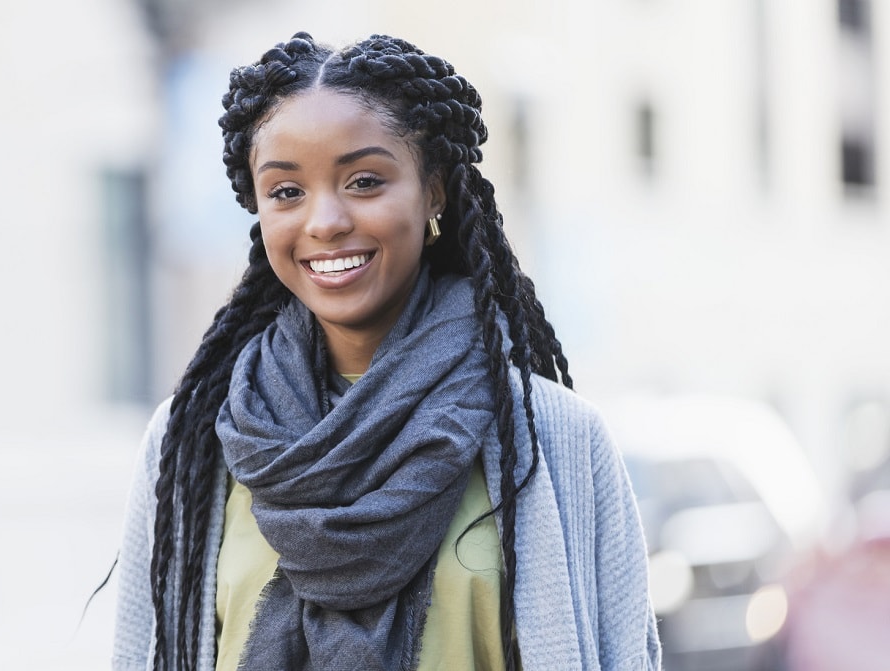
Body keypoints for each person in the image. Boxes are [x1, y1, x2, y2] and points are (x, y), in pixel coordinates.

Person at [113, 32, 661, 671]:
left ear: (433, 192)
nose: (325, 221)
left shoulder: (556, 441)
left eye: (365, 181)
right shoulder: (190, 445)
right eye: (286, 192)